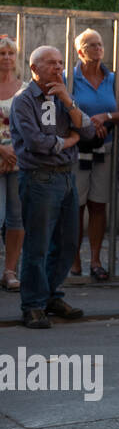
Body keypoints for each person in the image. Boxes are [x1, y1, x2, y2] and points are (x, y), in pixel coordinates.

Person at [8, 46, 95, 328]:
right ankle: (32, 304)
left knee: (69, 241)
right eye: (51, 64)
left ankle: (51, 295)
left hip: (66, 176)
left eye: (60, 63)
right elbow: (36, 144)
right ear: (35, 69)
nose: (58, 68)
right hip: (38, 178)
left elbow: (89, 131)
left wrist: (69, 102)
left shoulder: (63, 96)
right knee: (38, 244)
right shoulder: (23, 100)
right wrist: (68, 142)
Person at [69, 29, 119, 281]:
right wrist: (85, 124)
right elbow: (62, 112)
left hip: (104, 148)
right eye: (92, 45)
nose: (98, 49)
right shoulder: (69, 79)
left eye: (101, 44)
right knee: (75, 206)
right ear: (80, 51)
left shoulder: (114, 80)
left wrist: (106, 117)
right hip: (76, 151)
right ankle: (74, 262)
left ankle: (96, 260)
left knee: (98, 204)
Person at [0, 36, 25, 292]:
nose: (6, 58)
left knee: (17, 219)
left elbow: (32, 126)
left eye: (10, 53)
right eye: (1, 53)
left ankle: (10, 270)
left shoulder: (25, 88)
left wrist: (14, 152)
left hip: (19, 162)